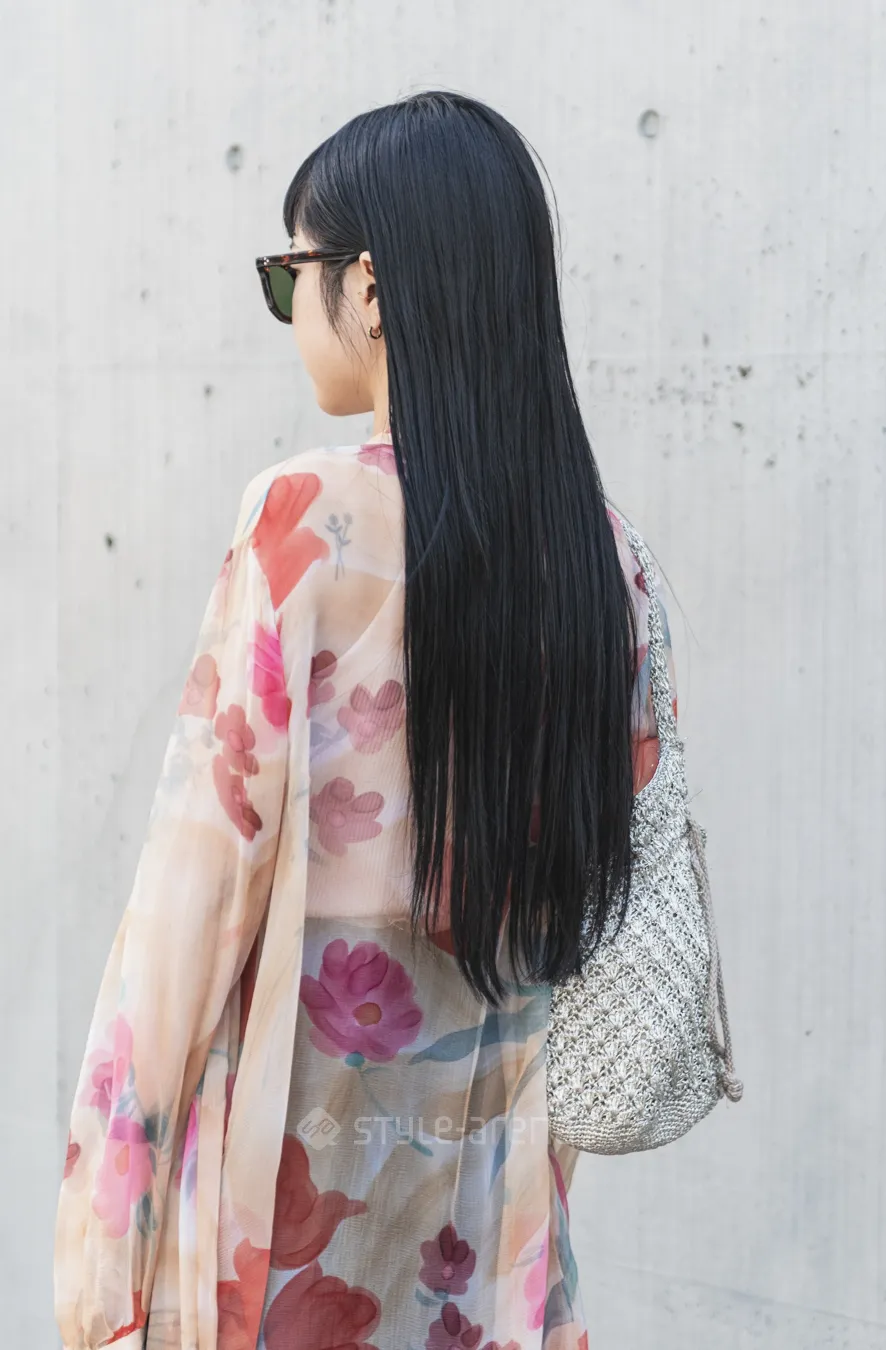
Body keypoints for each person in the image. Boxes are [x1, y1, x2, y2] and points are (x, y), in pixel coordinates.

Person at [54, 90, 678, 1350]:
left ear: (374, 290)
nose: (290, 311)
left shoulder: (307, 521)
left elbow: (188, 908)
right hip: (497, 1245)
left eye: (291, 277)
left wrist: (99, 1268)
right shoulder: (608, 560)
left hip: (292, 1234)